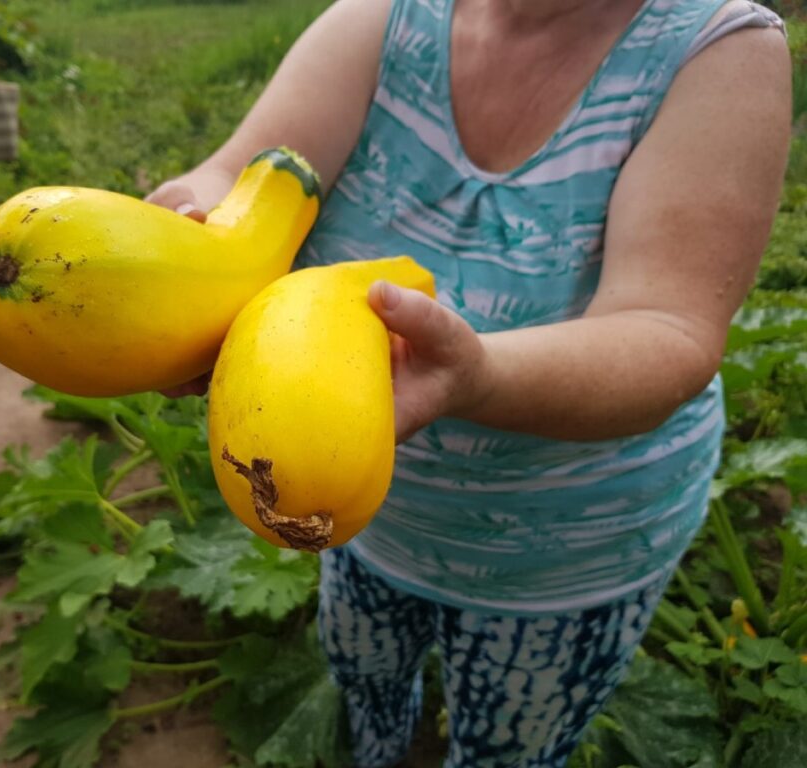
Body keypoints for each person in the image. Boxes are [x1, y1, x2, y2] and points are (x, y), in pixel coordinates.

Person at [148, 0, 790, 765]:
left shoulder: (717, 50)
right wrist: (194, 225)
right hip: (354, 508)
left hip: (564, 552)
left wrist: (477, 377)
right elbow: (247, 176)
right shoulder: (382, 19)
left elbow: (669, 331)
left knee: (507, 746)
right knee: (363, 675)